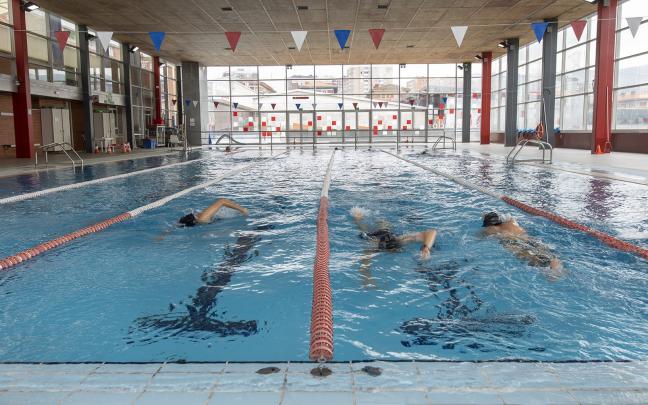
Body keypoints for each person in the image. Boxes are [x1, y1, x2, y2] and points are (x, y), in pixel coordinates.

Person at [482, 211, 564, 280]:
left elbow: (480, 237)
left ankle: (551, 272)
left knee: (531, 257)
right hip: (528, 239)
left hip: (512, 242)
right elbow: (506, 216)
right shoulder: (511, 222)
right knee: (543, 252)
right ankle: (555, 263)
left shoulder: (491, 229)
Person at [178, 198, 248, 227]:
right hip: (221, 216)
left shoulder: (203, 218)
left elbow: (222, 201)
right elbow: (178, 225)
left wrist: (242, 210)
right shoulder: (201, 221)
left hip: (235, 211)